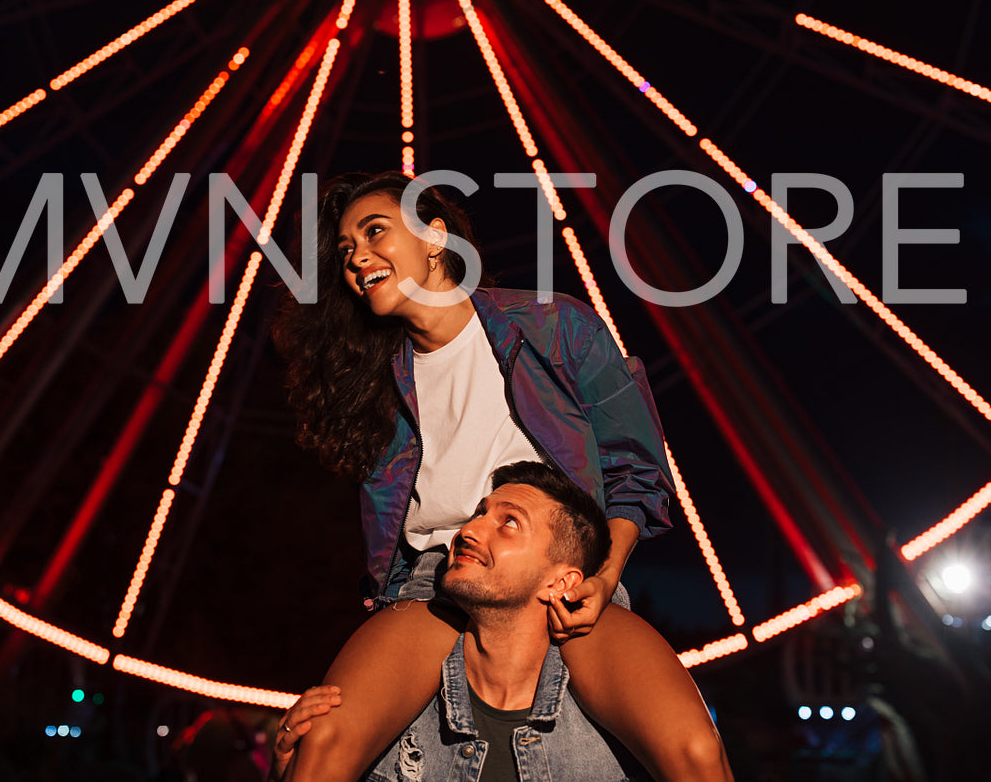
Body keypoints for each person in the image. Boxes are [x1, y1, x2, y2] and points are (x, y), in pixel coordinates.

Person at [272, 172, 730, 782]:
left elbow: (635, 469)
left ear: (435, 237)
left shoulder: (554, 328)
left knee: (696, 751)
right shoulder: (374, 389)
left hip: (559, 575)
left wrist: (602, 575)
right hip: (434, 583)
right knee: (318, 746)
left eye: (374, 231)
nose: (356, 255)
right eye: (346, 249)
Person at [281, 462, 710, 780]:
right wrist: (285, 770)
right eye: (479, 514)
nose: (468, 531)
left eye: (508, 523)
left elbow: (699, 756)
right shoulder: (395, 695)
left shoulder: (609, 708)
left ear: (561, 581)